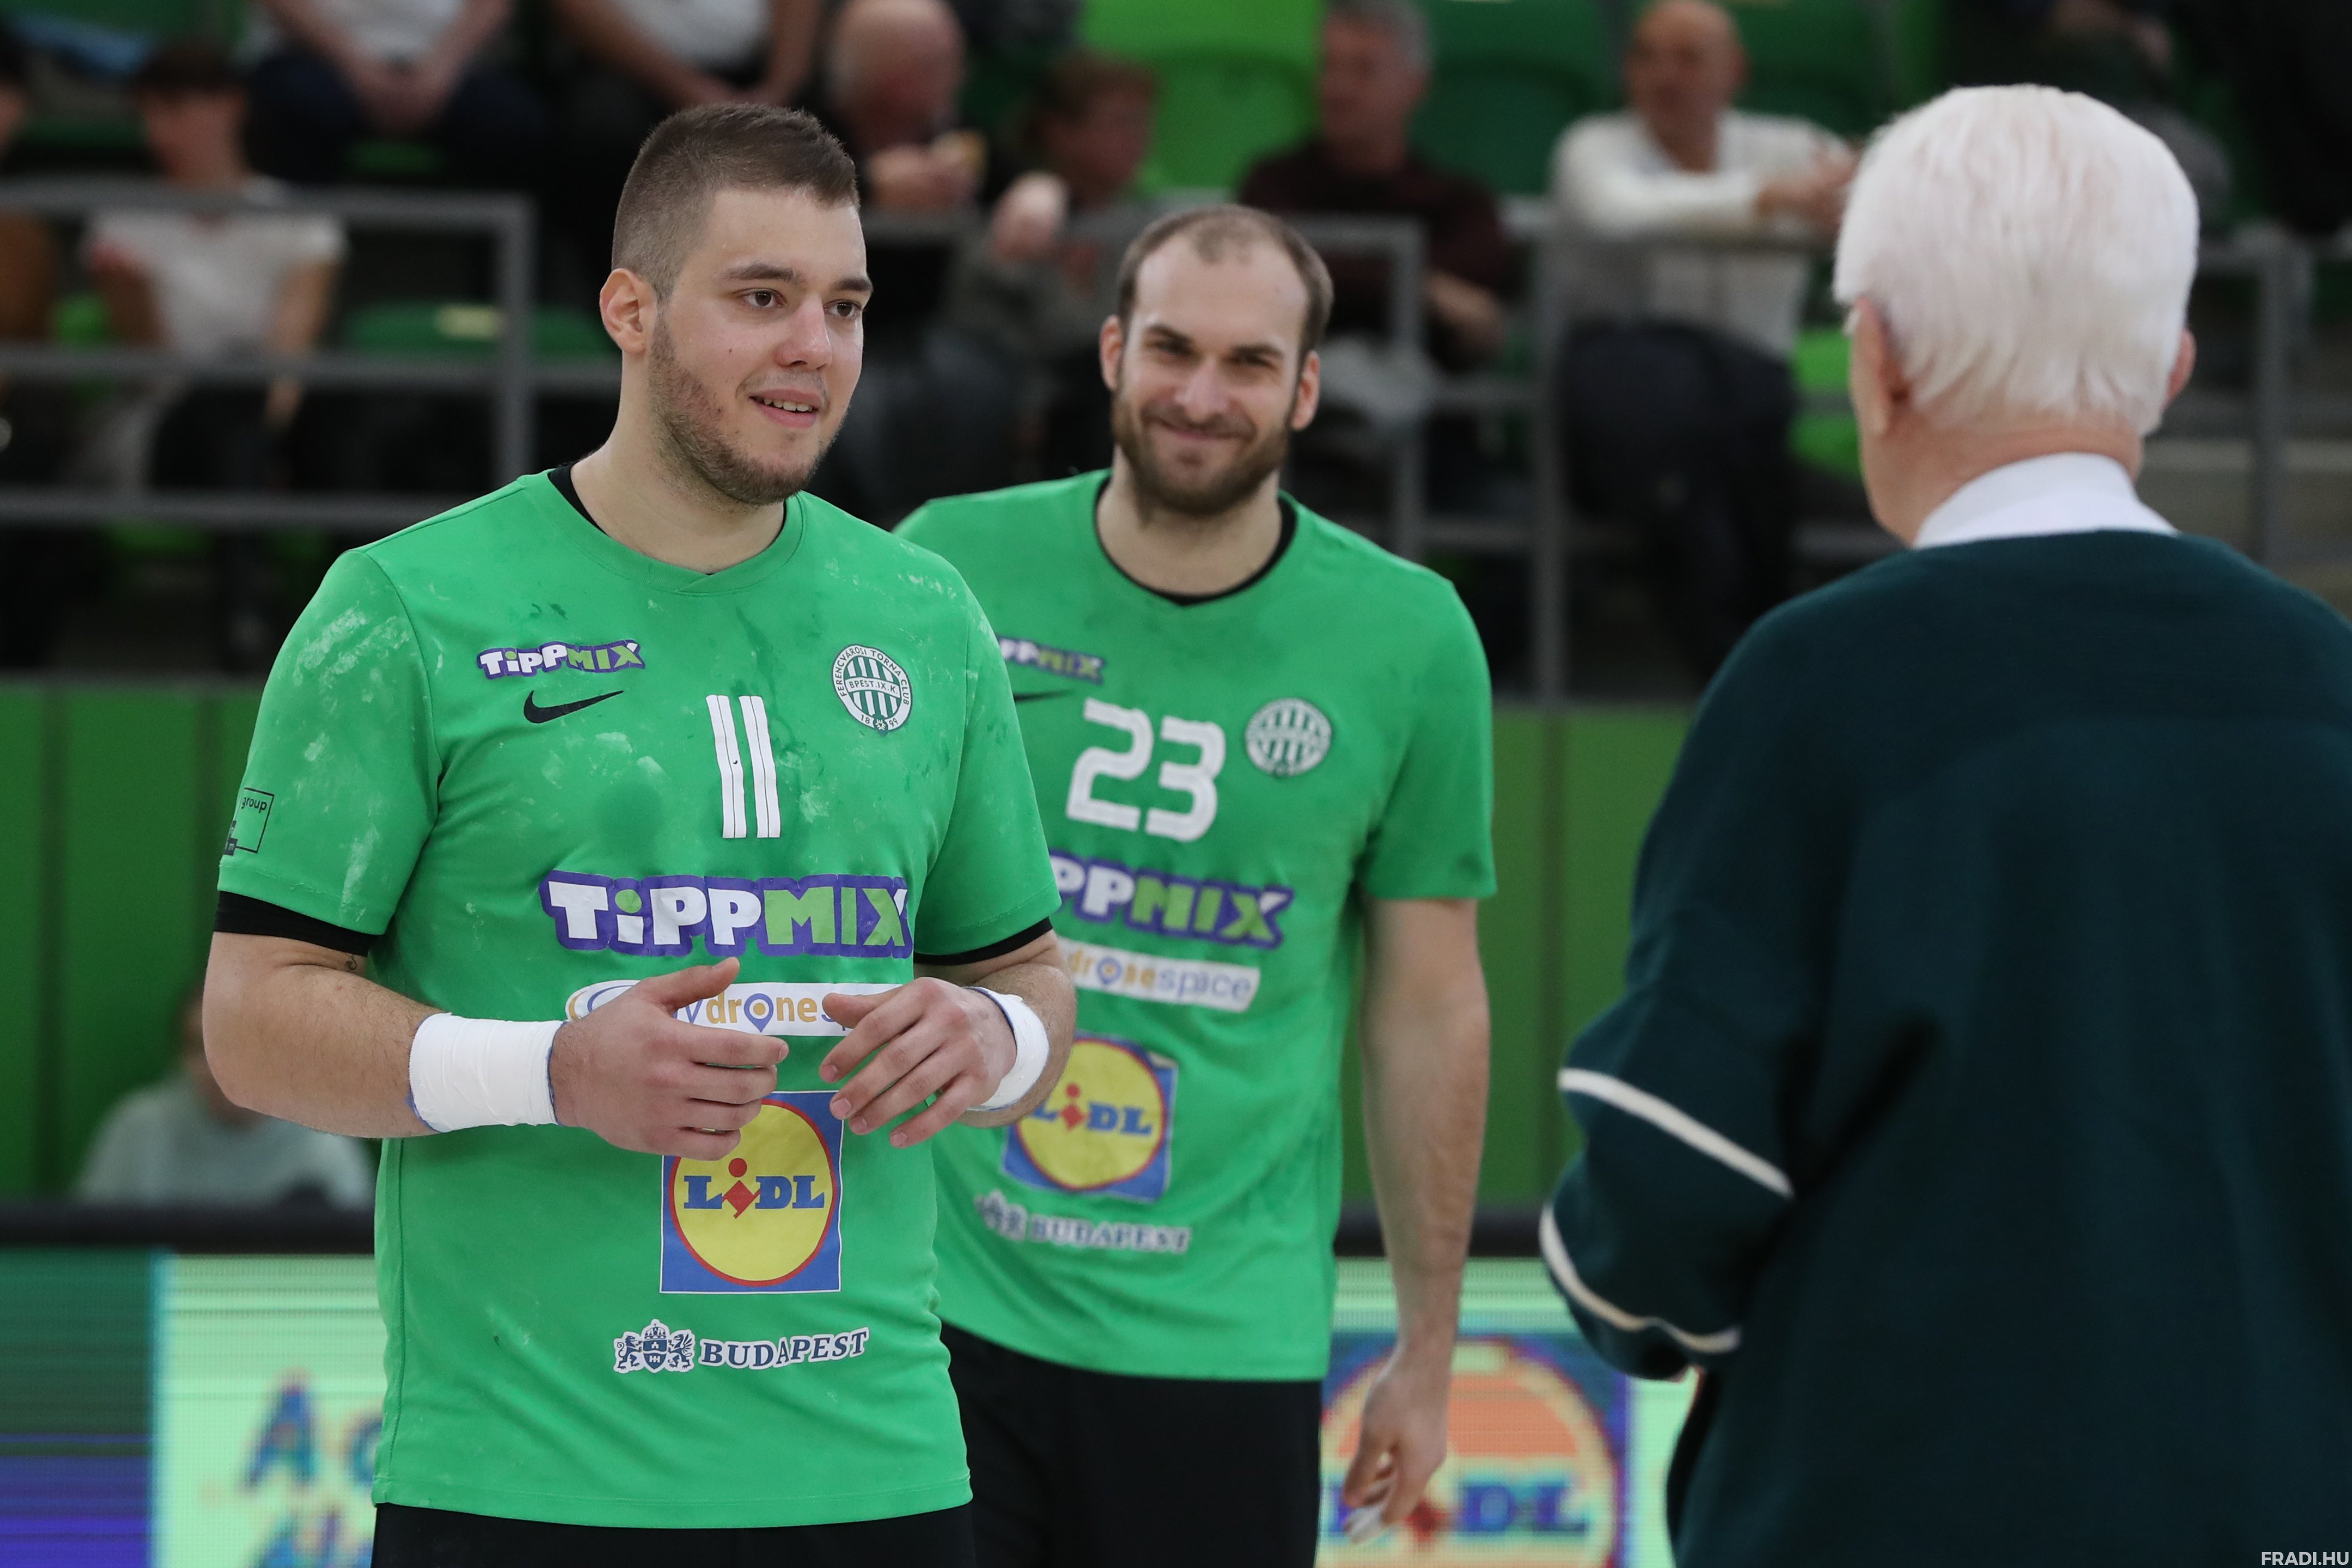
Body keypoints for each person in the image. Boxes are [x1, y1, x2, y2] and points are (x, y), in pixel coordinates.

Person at [203, 104, 1076, 1564]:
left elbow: (1032, 976)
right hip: (525, 1481)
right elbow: (253, 1023)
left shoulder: (926, 617)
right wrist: (553, 1071)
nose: (813, 346)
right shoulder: (404, 609)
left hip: (875, 1475)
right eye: (761, 296)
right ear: (629, 309)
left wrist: (993, 1040)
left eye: (845, 305)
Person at [1542, 85, 2352, 1564]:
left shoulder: (1822, 682)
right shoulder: (2329, 682)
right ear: (2169, 368)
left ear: (1878, 356)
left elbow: (1667, 1194)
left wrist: (1624, 1284)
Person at [899, 206, 1495, 1568]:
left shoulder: (1409, 640)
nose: (1201, 395)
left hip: (1223, 1338)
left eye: (1247, 362)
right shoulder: (946, 567)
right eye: (1171, 349)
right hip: (939, 1310)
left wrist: (1428, 1346)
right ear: (1113, 350)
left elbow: (1428, 1012)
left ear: (1305, 388)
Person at [1550, 0, 1852, 680]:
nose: (1666, 76)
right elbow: (1617, 213)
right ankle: (1741, 667)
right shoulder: (1590, 146)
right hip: (1630, 396)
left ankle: (1757, 666)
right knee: (1689, 474)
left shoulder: (1792, 146)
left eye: (1688, 58)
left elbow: (1865, 199)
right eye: (1647, 57)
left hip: (1752, 407)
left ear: (1734, 71)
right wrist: (1768, 201)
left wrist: (1830, 194)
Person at [82, 39, 344, 669]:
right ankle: (243, 625)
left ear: (229, 106)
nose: (158, 131)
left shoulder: (301, 221)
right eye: (148, 113)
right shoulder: (122, 224)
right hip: (171, 433)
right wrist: (131, 300)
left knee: (334, 414)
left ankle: (372, 628)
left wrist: (264, 439)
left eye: (174, 109)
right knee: (229, 402)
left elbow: (291, 354)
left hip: (270, 428)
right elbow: (151, 376)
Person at [1239, 0, 1511, 374]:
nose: (1338, 88)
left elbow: (1479, 304)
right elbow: (1263, 277)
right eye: (1329, 66)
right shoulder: (1272, 186)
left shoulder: (1460, 204)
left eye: (1364, 70)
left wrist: (1342, 279)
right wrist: (1422, 288)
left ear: (1416, 85)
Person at [939, 50, 1158, 480]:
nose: (1138, 138)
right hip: (1009, 427)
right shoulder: (1014, 216)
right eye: (1120, 122)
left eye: (1142, 123)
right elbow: (983, 331)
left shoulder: (1145, 229)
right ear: (1061, 132)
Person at [548, 0, 822, 302]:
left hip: (757, 75)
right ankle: (634, 299)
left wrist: (778, 90)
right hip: (630, 71)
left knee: (815, 146)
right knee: (601, 133)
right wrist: (690, 90)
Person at [78, 985, 373, 1206]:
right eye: (200, 1046)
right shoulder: (138, 1130)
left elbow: (354, 1261)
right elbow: (91, 1249)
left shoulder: (324, 1146)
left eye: (238, 1045)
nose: (217, 1066)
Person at [243, 0, 548, 186]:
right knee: (289, 111)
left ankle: (502, 275)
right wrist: (357, 67)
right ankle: (302, 257)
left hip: (446, 66)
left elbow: (493, 6)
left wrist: (439, 70)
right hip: (315, 57)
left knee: (518, 126)